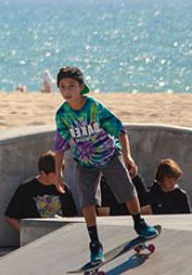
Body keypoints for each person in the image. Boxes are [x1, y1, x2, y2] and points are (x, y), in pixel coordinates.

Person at [51, 66, 159, 266]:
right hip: (84, 162)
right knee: (87, 201)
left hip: (109, 155)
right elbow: (60, 146)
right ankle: (95, 244)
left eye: (72, 86)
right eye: (62, 87)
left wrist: (127, 155)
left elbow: (120, 129)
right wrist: (58, 173)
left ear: (81, 87)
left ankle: (139, 223)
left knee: (127, 190)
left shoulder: (94, 107)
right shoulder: (62, 115)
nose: (67, 91)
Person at [4, 150, 79, 234]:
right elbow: (10, 216)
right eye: (55, 173)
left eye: (61, 172)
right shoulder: (26, 189)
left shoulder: (64, 189)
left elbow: (72, 218)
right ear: (43, 173)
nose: (60, 176)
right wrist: (27, 233)